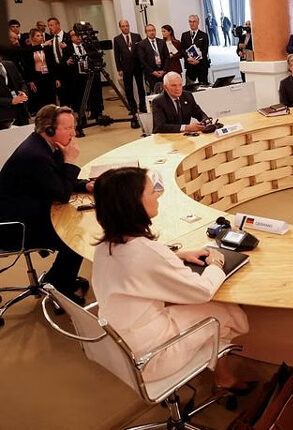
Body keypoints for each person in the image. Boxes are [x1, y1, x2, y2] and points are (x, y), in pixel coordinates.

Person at [90, 166, 251, 387]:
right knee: (228, 312)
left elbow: (137, 267)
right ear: (134, 204)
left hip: (120, 348)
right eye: (152, 192)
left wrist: (175, 257)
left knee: (198, 312)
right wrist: (216, 264)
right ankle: (224, 377)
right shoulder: (148, 253)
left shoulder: (103, 246)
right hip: (151, 357)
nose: (157, 195)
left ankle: (221, 372)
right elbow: (202, 291)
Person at [0, 105, 93, 305]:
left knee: (78, 226)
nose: (73, 133)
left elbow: (57, 180)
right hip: (14, 227)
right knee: (76, 237)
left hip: (29, 210)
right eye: (68, 128)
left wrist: (86, 185)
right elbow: (62, 194)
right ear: (49, 129)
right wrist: (70, 161)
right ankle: (60, 286)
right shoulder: (35, 156)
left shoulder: (46, 146)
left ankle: (57, 278)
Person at [65, 29, 103, 121]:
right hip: (77, 76)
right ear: (71, 38)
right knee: (79, 96)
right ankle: (81, 116)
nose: (78, 36)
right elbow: (63, 62)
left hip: (90, 74)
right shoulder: (67, 48)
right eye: (75, 35)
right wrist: (67, 62)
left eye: (79, 34)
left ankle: (97, 113)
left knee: (94, 94)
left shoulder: (87, 45)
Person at [113, 19, 146, 114]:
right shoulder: (117, 39)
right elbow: (117, 55)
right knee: (128, 88)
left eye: (127, 25)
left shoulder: (136, 36)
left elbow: (141, 51)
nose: (125, 28)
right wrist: (119, 69)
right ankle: (132, 107)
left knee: (141, 87)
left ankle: (143, 106)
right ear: (120, 27)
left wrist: (143, 64)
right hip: (125, 67)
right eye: (123, 26)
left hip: (138, 66)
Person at [22, 28, 58, 114]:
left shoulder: (47, 48)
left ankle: (53, 114)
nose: (41, 37)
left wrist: (56, 78)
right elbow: (26, 67)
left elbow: (53, 63)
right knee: (40, 98)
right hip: (37, 76)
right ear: (32, 38)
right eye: (38, 36)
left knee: (51, 97)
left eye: (41, 35)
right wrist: (30, 81)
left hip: (48, 75)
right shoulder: (29, 50)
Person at [45, 17, 72, 107]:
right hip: (58, 72)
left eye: (51, 25)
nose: (50, 27)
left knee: (73, 96)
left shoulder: (68, 37)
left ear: (58, 25)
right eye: (49, 26)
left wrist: (66, 48)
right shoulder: (50, 40)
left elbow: (73, 51)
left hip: (70, 70)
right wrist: (55, 76)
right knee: (62, 97)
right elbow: (51, 59)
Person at [136, 24, 169, 94]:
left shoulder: (162, 42)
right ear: (146, 32)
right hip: (151, 73)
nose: (152, 32)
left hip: (163, 72)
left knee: (166, 92)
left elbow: (167, 56)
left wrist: (164, 70)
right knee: (155, 93)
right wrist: (153, 71)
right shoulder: (142, 44)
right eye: (149, 31)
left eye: (153, 30)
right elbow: (142, 60)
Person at [0, 57, 30, 128]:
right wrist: (11, 101)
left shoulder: (10, 64)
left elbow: (21, 82)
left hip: (21, 111)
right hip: (3, 117)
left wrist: (23, 92)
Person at [180, 15, 210, 85]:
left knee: (203, 86)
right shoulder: (184, 35)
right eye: (190, 22)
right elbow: (182, 49)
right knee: (189, 87)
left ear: (198, 22)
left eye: (194, 21)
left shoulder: (204, 35)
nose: (192, 23)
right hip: (189, 65)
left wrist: (197, 60)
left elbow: (205, 50)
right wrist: (188, 58)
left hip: (201, 65)